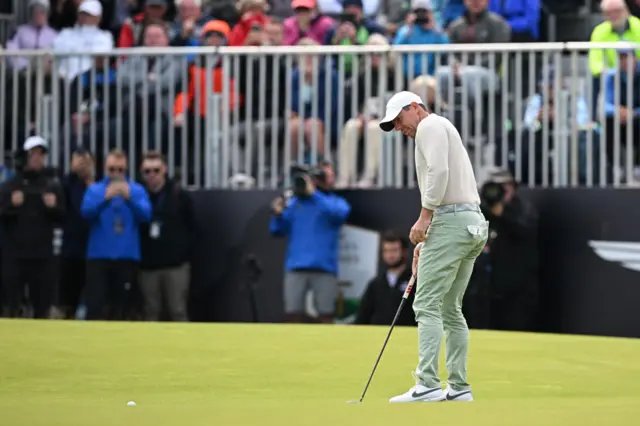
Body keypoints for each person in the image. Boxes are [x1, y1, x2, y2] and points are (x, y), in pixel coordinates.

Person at [379, 91, 488, 403]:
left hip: (451, 221)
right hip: (471, 223)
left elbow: (439, 173)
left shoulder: (429, 126)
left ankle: (426, 384)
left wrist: (426, 218)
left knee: (425, 303)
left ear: (415, 108)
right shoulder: (439, 127)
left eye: (399, 119)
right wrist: (432, 231)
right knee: (450, 308)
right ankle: (459, 387)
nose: (399, 127)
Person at [269, 162, 350, 323]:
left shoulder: (334, 202)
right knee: (292, 314)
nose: (324, 178)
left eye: (326, 175)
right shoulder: (294, 203)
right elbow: (276, 230)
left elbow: (340, 214)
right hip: (296, 267)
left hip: (325, 268)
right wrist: (277, 214)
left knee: (326, 315)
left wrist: (314, 194)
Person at [81, 149, 151, 320]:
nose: (116, 174)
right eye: (112, 169)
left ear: (126, 170)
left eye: (120, 170)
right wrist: (105, 198)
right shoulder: (95, 190)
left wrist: (129, 198)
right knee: (95, 306)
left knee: (122, 308)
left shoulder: (136, 190)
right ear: (105, 168)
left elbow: (146, 215)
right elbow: (85, 213)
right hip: (98, 257)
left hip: (126, 257)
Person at [0, 136, 65, 318]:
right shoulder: (9, 186)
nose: (37, 158)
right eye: (33, 154)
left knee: (41, 306)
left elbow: (62, 218)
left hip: (42, 256)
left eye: (41, 154)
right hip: (15, 256)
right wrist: (11, 205)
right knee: (12, 305)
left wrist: (54, 207)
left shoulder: (51, 185)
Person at [138, 152, 196, 322]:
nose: (152, 175)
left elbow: (193, 228)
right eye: (147, 171)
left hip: (176, 266)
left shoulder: (180, 195)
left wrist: (184, 254)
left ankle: (184, 347)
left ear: (165, 169)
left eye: (156, 170)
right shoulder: (138, 196)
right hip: (147, 266)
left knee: (177, 310)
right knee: (150, 312)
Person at [59, 147, 94, 318]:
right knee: (68, 302)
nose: (82, 165)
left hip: (93, 252)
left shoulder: (99, 187)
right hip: (71, 252)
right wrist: (73, 175)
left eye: (85, 161)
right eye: (78, 161)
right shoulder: (66, 184)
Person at [354, 231, 416, 326]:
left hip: (409, 335)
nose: (390, 255)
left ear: (404, 252)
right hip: (378, 337)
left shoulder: (415, 280)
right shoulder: (375, 284)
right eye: (386, 251)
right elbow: (362, 316)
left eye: (394, 250)